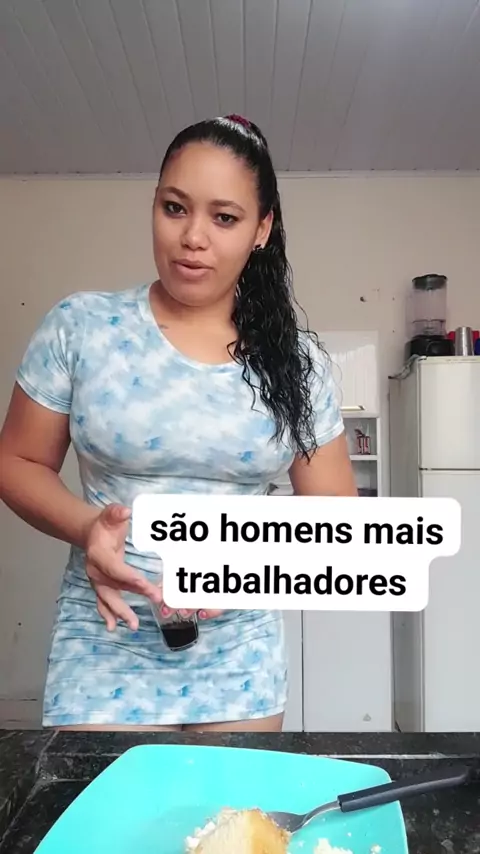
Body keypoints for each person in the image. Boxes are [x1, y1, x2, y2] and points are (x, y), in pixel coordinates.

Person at [0, 115, 357, 733]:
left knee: (231, 801)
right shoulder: (81, 327)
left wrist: (246, 571)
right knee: (106, 802)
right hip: (105, 641)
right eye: (174, 208)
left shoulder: (298, 363)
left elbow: (333, 518)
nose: (193, 237)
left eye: (225, 217)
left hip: (238, 656)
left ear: (261, 230)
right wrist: (88, 528)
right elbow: (17, 461)